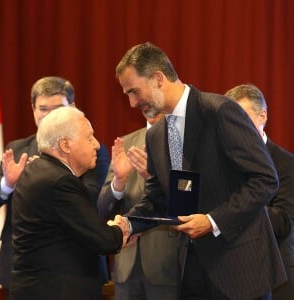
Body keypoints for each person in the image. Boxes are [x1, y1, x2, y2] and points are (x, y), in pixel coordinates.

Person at [114, 42, 287, 300]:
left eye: (134, 91)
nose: (131, 102)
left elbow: (264, 180)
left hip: (240, 272)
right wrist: (129, 223)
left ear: (158, 78)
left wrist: (212, 221)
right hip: (191, 273)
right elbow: (159, 197)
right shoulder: (157, 135)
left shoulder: (219, 111)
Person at [0, 76, 110, 294]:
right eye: (43, 108)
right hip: (22, 271)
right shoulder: (17, 149)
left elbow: (92, 200)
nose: (48, 116)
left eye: (56, 108)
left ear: (73, 108)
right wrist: (7, 183)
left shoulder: (91, 152)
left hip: (73, 269)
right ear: (33, 109)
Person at [7, 106, 129, 300]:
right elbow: (104, 240)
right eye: (89, 138)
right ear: (65, 145)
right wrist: (120, 228)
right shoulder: (61, 182)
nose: (97, 145)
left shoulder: (36, 169)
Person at [98, 112, 181, 300]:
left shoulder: (183, 142)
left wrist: (153, 178)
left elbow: (187, 204)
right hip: (126, 266)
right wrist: (119, 181)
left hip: (167, 264)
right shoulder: (127, 143)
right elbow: (103, 210)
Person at [225, 83, 294, 300]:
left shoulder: (286, 163)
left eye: (241, 117)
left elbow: (283, 223)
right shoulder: (221, 163)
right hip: (228, 275)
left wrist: (241, 202)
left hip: (275, 276)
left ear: (262, 116)